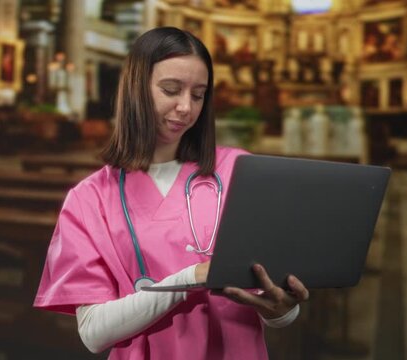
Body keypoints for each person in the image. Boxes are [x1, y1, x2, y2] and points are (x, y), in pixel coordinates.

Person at [34, 27, 309, 359]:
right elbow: (93, 333)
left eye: (198, 94)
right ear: (135, 89)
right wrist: (189, 278)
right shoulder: (90, 198)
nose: (185, 108)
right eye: (171, 90)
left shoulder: (240, 171)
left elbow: (273, 304)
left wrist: (282, 310)